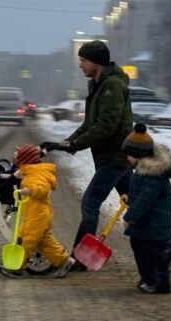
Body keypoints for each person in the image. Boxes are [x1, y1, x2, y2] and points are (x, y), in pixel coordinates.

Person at [59, 40, 134, 271]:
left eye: (84, 60)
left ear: (96, 62)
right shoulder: (99, 85)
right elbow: (89, 124)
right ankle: (167, 250)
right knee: (137, 203)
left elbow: (105, 126)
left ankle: (80, 258)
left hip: (115, 156)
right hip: (115, 156)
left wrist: (78, 143)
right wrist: (70, 141)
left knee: (90, 203)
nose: (81, 65)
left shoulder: (112, 86)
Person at [0, 144, 75, 279]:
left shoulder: (36, 174)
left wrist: (30, 190)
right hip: (38, 214)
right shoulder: (33, 171)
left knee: (25, 240)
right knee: (44, 242)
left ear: (25, 161)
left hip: (37, 215)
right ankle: (64, 261)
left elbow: (43, 190)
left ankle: (16, 268)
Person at [121, 123, 171, 294]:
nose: (127, 158)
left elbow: (144, 200)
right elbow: (142, 196)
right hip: (151, 225)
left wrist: (129, 217)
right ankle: (154, 280)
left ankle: (154, 282)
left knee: (148, 252)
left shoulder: (151, 175)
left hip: (153, 226)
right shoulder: (146, 171)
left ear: (138, 155)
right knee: (153, 253)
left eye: (128, 155)